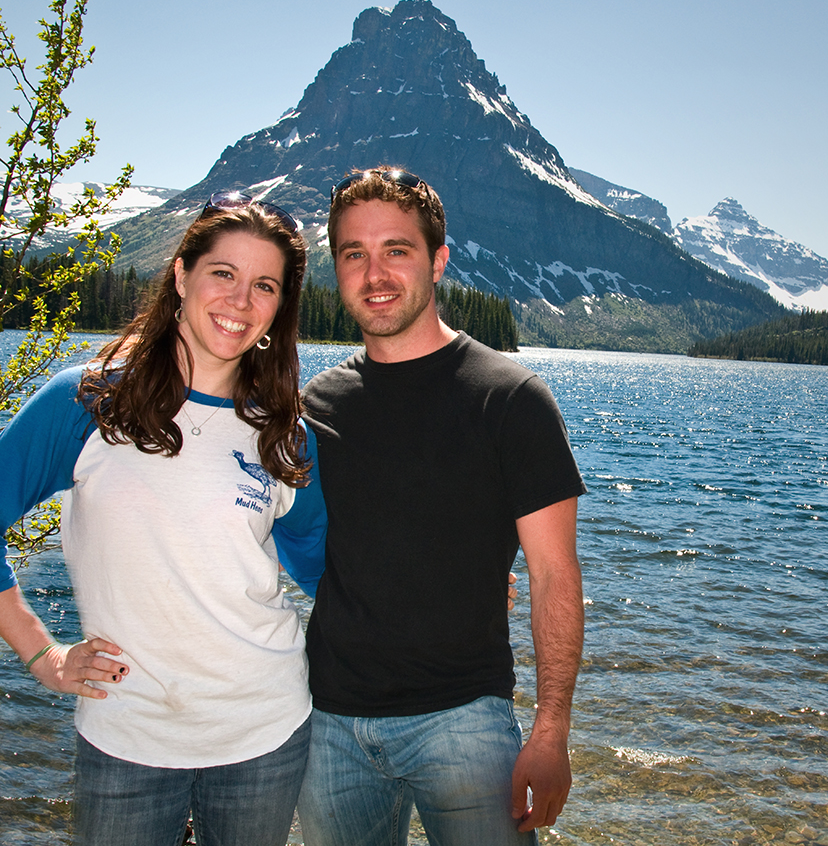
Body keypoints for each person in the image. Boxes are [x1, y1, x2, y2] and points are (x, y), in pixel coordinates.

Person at [0, 195, 328, 845]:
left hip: (265, 734)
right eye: (223, 273)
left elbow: (331, 573)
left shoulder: (286, 435)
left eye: (264, 285)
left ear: (278, 309)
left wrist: (450, 596)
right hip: (126, 738)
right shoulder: (87, 401)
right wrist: (41, 654)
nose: (240, 299)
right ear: (181, 276)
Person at [297, 167, 586, 846]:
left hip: (464, 722)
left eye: (396, 250)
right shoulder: (316, 408)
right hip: (328, 726)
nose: (375, 275)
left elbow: (554, 577)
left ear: (438, 260)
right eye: (353, 255)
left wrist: (551, 731)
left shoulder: (509, 398)